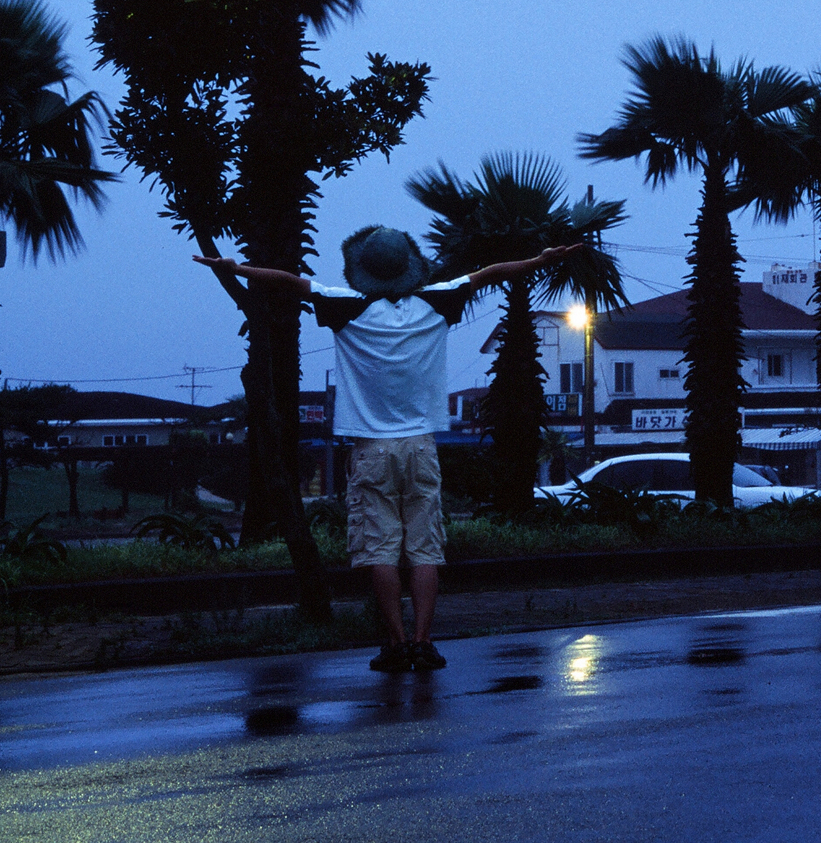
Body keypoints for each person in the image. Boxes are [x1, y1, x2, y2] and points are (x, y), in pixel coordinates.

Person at [194, 227, 580, 672]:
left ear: (364, 270)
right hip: (421, 445)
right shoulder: (437, 301)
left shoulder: (346, 306)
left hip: (372, 448)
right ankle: (423, 642)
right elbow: (490, 273)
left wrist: (236, 268)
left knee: (380, 550)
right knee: (425, 549)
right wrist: (539, 261)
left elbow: (288, 281)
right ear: (409, 268)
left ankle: (396, 644)